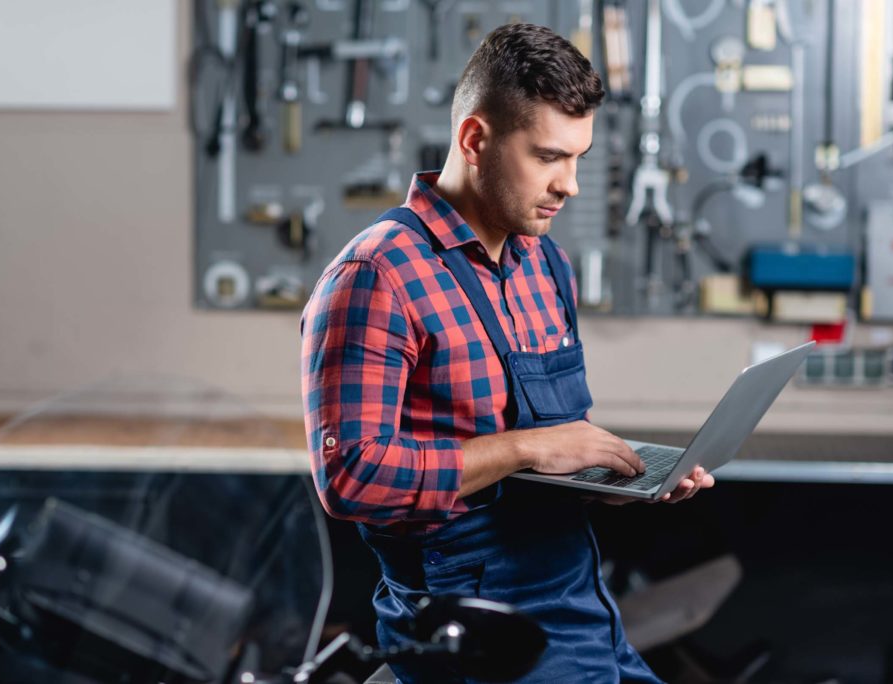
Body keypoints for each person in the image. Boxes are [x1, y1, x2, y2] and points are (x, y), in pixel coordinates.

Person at [301, 22, 715, 683]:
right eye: (548, 157)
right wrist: (527, 448)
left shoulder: (544, 265)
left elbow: (545, 467)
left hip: (579, 607)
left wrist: (617, 481)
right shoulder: (377, 276)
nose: (570, 185)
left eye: (578, 157)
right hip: (468, 631)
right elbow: (352, 477)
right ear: (474, 139)